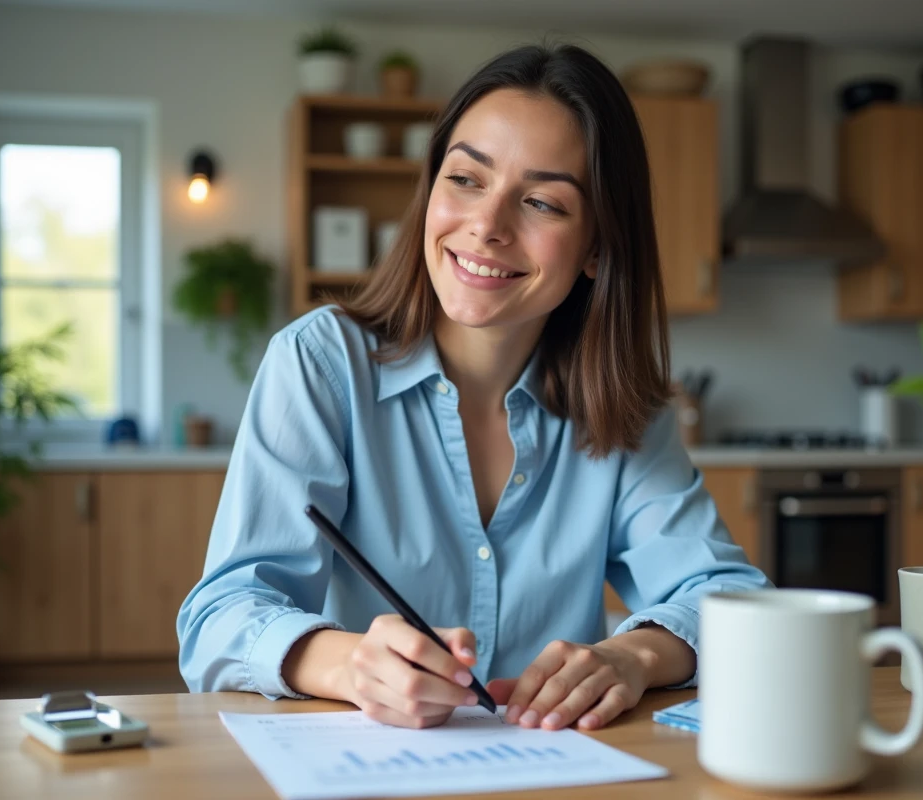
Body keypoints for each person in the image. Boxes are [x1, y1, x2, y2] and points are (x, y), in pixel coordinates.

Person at [176, 42, 770, 733]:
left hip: (563, 766)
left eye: (542, 202)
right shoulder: (319, 364)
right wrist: (349, 665)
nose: (487, 226)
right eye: (465, 179)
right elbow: (220, 620)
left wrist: (632, 655)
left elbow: (733, 601)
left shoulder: (623, 407)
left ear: (597, 247)